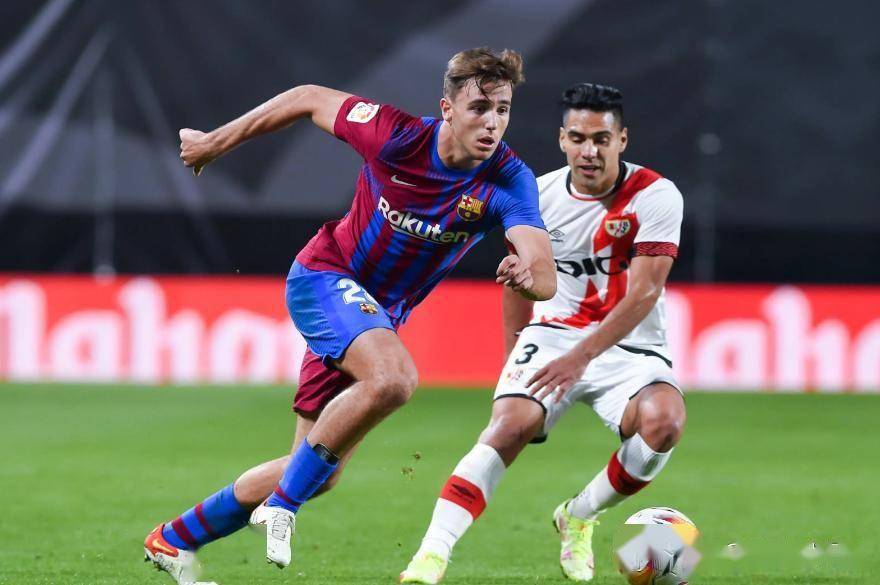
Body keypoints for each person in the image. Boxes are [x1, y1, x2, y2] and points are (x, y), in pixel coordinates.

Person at [141, 47, 555, 585]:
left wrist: (527, 274)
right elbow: (308, 97)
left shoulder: (508, 179)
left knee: (320, 470)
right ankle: (281, 507)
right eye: (479, 108)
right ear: (448, 108)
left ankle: (173, 539)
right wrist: (215, 142)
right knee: (395, 379)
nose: (492, 122)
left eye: (502, 109)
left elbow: (544, 275)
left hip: (372, 319)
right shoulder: (397, 136)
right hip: (325, 277)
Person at [399, 83, 685, 584]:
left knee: (664, 423)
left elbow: (643, 293)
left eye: (601, 139)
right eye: (578, 138)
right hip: (552, 334)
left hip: (632, 343)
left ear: (622, 140)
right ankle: (430, 557)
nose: (589, 151)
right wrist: (513, 358)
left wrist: (582, 357)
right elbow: (519, 278)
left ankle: (580, 514)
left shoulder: (656, 195)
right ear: (561, 139)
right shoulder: (537, 194)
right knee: (510, 426)